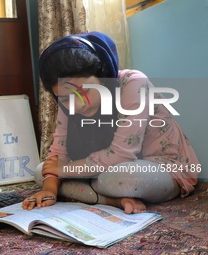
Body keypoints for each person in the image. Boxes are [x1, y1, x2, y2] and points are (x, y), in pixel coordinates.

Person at [22, 31, 200, 214]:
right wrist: (49, 189)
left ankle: (91, 190)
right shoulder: (67, 100)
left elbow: (122, 155)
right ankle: (111, 200)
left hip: (159, 167)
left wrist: (66, 171)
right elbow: (58, 155)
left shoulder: (133, 83)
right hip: (101, 168)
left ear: (103, 76)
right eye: (65, 99)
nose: (78, 105)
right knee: (40, 171)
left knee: (124, 178)